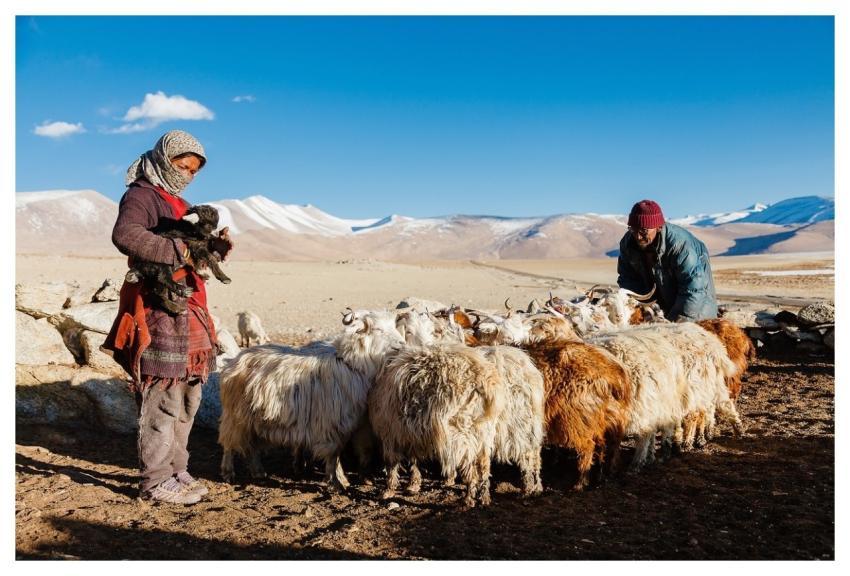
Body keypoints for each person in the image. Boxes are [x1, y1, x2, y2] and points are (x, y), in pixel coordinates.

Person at [103, 129, 232, 504]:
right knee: (164, 396)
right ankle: (155, 481)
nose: (188, 174)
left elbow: (193, 251)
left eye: (194, 169)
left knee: (189, 396)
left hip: (190, 306)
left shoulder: (180, 202)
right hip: (160, 306)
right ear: (163, 158)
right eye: (183, 165)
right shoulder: (141, 195)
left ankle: (178, 469)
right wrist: (179, 252)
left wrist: (215, 248)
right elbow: (125, 234)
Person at [616, 199, 717, 322]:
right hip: (661, 301)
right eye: (633, 229)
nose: (637, 236)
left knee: (694, 332)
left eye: (643, 231)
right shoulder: (628, 244)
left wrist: (675, 323)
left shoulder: (680, 246)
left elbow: (693, 288)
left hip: (695, 303)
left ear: (658, 227)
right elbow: (628, 280)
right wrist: (641, 311)